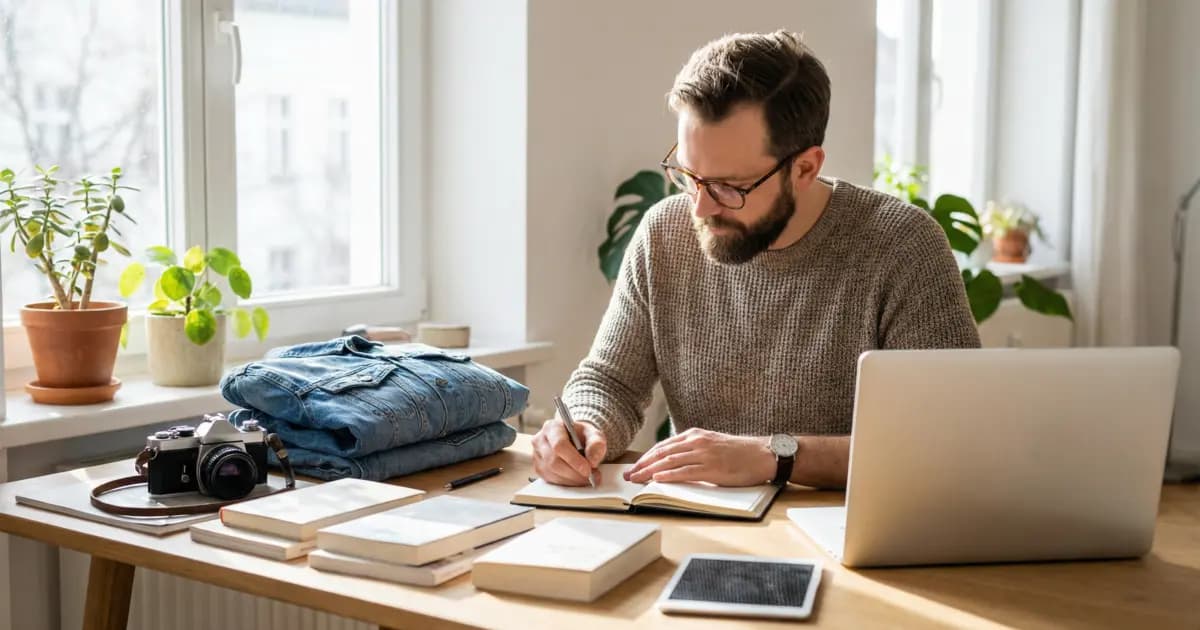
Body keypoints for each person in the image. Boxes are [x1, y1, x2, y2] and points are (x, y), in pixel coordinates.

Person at [533, 30, 980, 489]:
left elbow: (948, 439)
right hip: (701, 523)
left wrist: (775, 456)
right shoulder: (663, 233)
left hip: (845, 534)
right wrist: (585, 428)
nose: (701, 207)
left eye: (730, 186)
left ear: (805, 168)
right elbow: (611, 381)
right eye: (689, 175)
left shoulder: (901, 245)